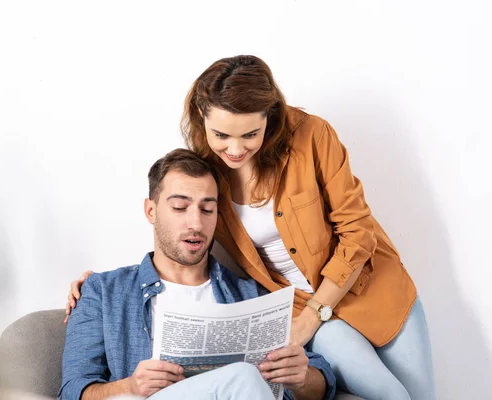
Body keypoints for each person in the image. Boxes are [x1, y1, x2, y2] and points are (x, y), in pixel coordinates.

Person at [65, 55, 435, 400]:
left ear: (269, 119)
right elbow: (183, 210)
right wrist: (100, 287)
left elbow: (357, 232)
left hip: (367, 287)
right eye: (222, 135)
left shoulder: (311, 137)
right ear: (201, 118)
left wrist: (309, 322)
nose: (235, 149)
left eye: (250, 135)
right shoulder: (207, 170)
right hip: (300, 306)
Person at [60, 149, 336, 400]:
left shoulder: (250, 294)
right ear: (151, 211)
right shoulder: (102, 291)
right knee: (243, 375)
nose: (196, 223)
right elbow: (73, 391)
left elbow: (322, 377)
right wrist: (129, 386)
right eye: (180, 207)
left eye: (207, 209)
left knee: (247, 378)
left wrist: (301, 378)